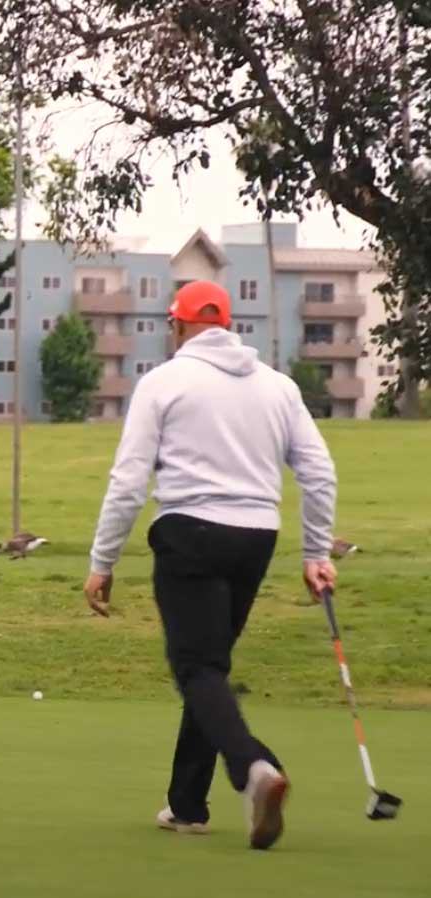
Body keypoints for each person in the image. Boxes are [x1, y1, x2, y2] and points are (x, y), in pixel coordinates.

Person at [84, 280, 338, 850]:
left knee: (196, 667)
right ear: (226, 325)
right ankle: (186, 804)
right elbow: (319, 472)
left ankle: (255, 768)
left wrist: (102, 560)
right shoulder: (278, 386)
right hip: (256, 538)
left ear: (176, 326)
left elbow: (128, 480)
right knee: (209, 670)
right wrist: (316, 552)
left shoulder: (163, 382)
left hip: (189, 532)